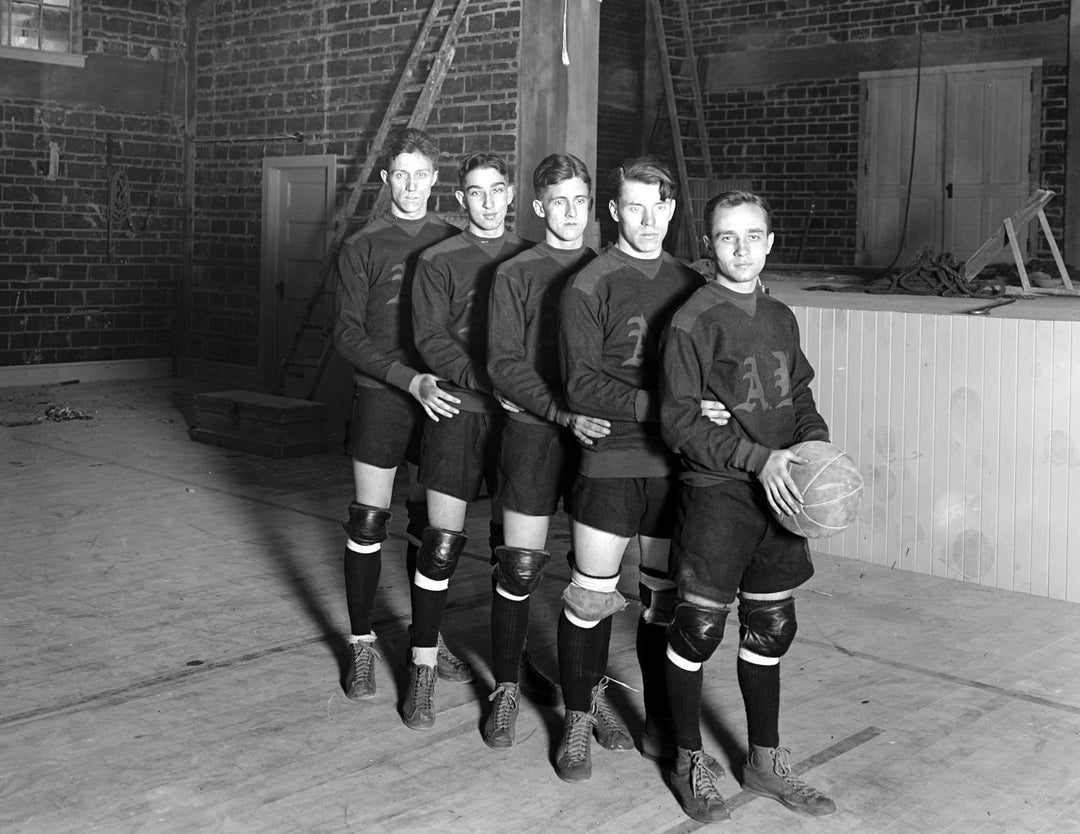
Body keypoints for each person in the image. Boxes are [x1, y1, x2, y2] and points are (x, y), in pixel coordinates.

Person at [658, 190, 837, 822]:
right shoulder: (692, 319)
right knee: (698, 630)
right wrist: (759, 459)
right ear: (708, 245)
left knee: (772, 627)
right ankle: (687, 759)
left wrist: (813, 446)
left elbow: (800, 393)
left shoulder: (782, 316)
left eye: (751, 235)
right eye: (726, 237)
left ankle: (764, 761)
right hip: (720, 493)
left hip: (783, 492)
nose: (740, 248)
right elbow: (678, 422)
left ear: (769, 241)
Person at [554, 156, 718, 783]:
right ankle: (577, 718)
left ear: (673, 210)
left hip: (675, 465)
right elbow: (580, 385)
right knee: (591, 595)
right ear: (614, 211)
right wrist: (671, 408)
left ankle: (659, 723)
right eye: (634, 207)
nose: (647, 220)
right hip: (611, 458)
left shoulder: (692, 282)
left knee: (663, 601)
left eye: (659, 207)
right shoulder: (590, 283)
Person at [483, 152, 626, 750]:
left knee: (593, 578)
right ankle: (507, 688)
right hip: (539, 430)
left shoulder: (609, 270)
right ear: (539, 207)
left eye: (581, 202)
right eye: (558, 202)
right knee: (520, 565)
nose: (571, 214)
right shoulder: (516, 272)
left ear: (594, 208)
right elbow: (503, 365)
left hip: (598, 437)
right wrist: (561, 410)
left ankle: (588, 696)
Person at [332, 127, 469, 704]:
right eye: (400, 176)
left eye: (422, 175)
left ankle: (426, 640)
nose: (411, 186)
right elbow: (346, 333)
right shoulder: (363, 244)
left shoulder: (453, 240)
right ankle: (361, 643)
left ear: (435, 180)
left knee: (432, 530)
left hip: (440, 399)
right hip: (385, 393)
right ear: (386, 180)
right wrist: (403, 378)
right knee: (369, 523)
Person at [404, 151, 532, 730]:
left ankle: (507, 680)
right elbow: (430, 339)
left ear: (510, 195)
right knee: (442, 542)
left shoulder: (533, 258)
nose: (486, 201)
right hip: (459, 408)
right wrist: (490, 382)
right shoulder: (437, 259)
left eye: (496, 190)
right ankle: (423, 668)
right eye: (474, 193)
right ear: (460, 200)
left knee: (515, 552)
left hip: (518, 419)